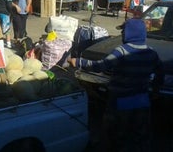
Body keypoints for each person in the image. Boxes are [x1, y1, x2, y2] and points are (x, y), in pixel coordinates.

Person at [67, 18, 162, 152]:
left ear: (131, 33)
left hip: (120, 103)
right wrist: (156, 90)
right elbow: (160, 72)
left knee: (116, 138)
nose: (122, 34)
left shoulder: (121, 51)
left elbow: (99, 66)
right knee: (139, 138)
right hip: (142, 103)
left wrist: (78, 62)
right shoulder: (151, 53)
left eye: (124, 30)